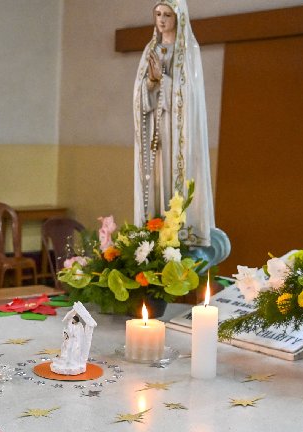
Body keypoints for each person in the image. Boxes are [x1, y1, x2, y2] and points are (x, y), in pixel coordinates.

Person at [133, 0, 214, 247]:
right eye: (158, 14)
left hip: (178, 133)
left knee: (175, 181)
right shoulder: (150, 51)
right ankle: (153, 232)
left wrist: (163, 80)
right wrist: (149, 84)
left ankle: (178, 237)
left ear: (178, 18)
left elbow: (190, 96)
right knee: (156, 181)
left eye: (167, 14)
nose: (162, 19)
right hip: (155, 131)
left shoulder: (188, 51)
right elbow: (138, 94)